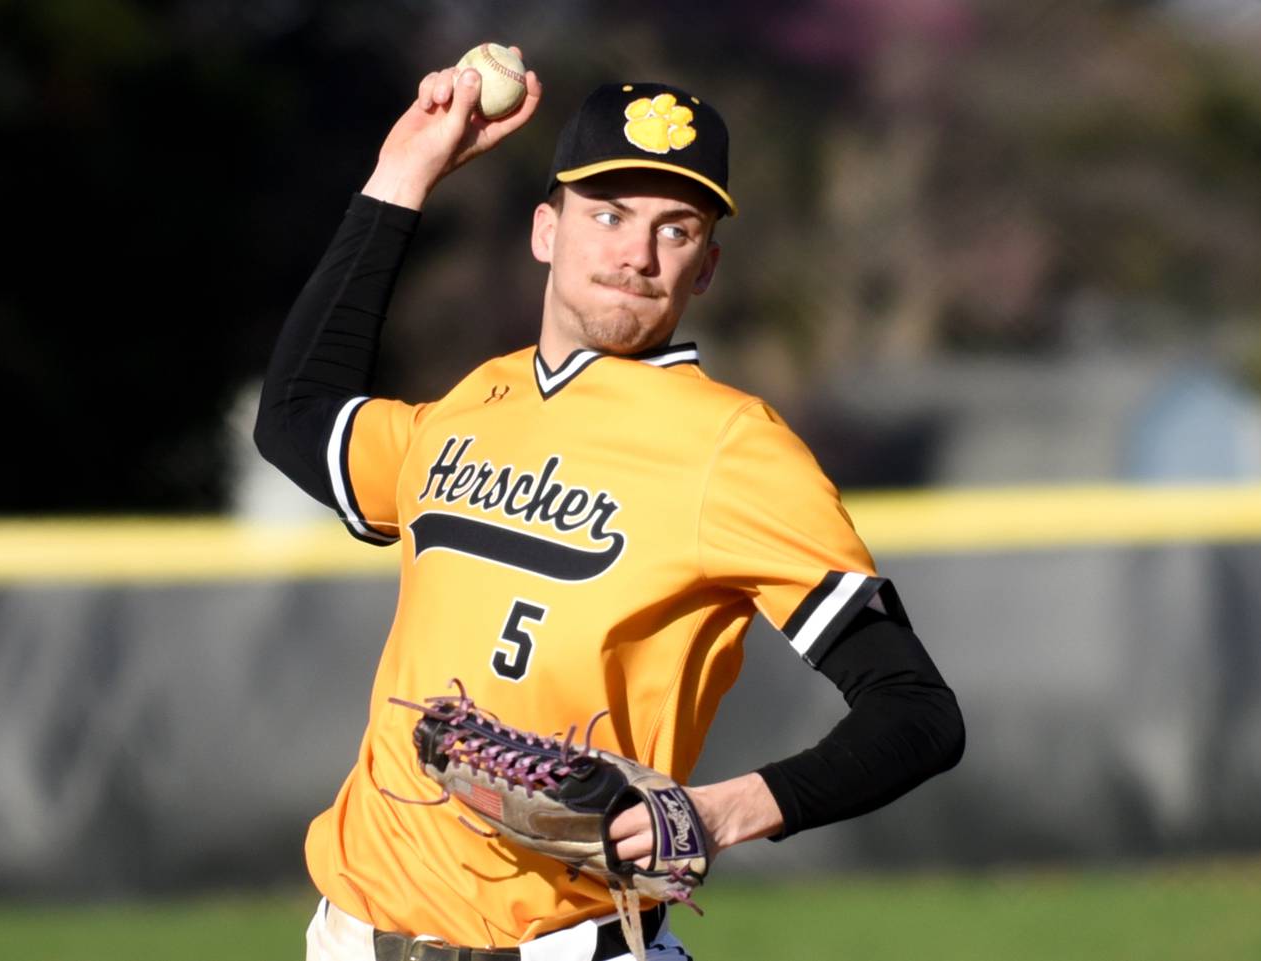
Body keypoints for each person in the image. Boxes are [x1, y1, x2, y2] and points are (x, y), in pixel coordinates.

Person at [254, 51, 964, 961]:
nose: (636, 252)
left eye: (678, 228)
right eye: (609, 214)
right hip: (355, 937)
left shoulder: (735, 448)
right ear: (545, 231)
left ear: (706, 267)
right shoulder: (469, 405)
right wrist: (403, 173)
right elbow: (296, 419)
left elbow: (916, 711)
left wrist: (721, 812)